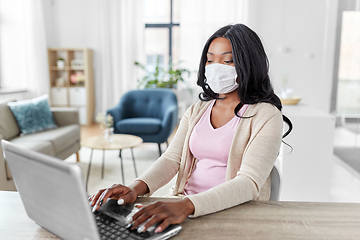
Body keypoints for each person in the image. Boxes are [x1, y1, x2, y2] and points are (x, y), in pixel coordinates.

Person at [89, 23, 292, 234]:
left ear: (248, 63)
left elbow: (248, 182)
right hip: (182, 204)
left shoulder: (266, 115)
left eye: (227, 60)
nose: (215, 67)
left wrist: (187, 206)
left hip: (230, 211)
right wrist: (135, 187)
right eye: (210, 60)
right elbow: (171, 159)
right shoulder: (197, 110)